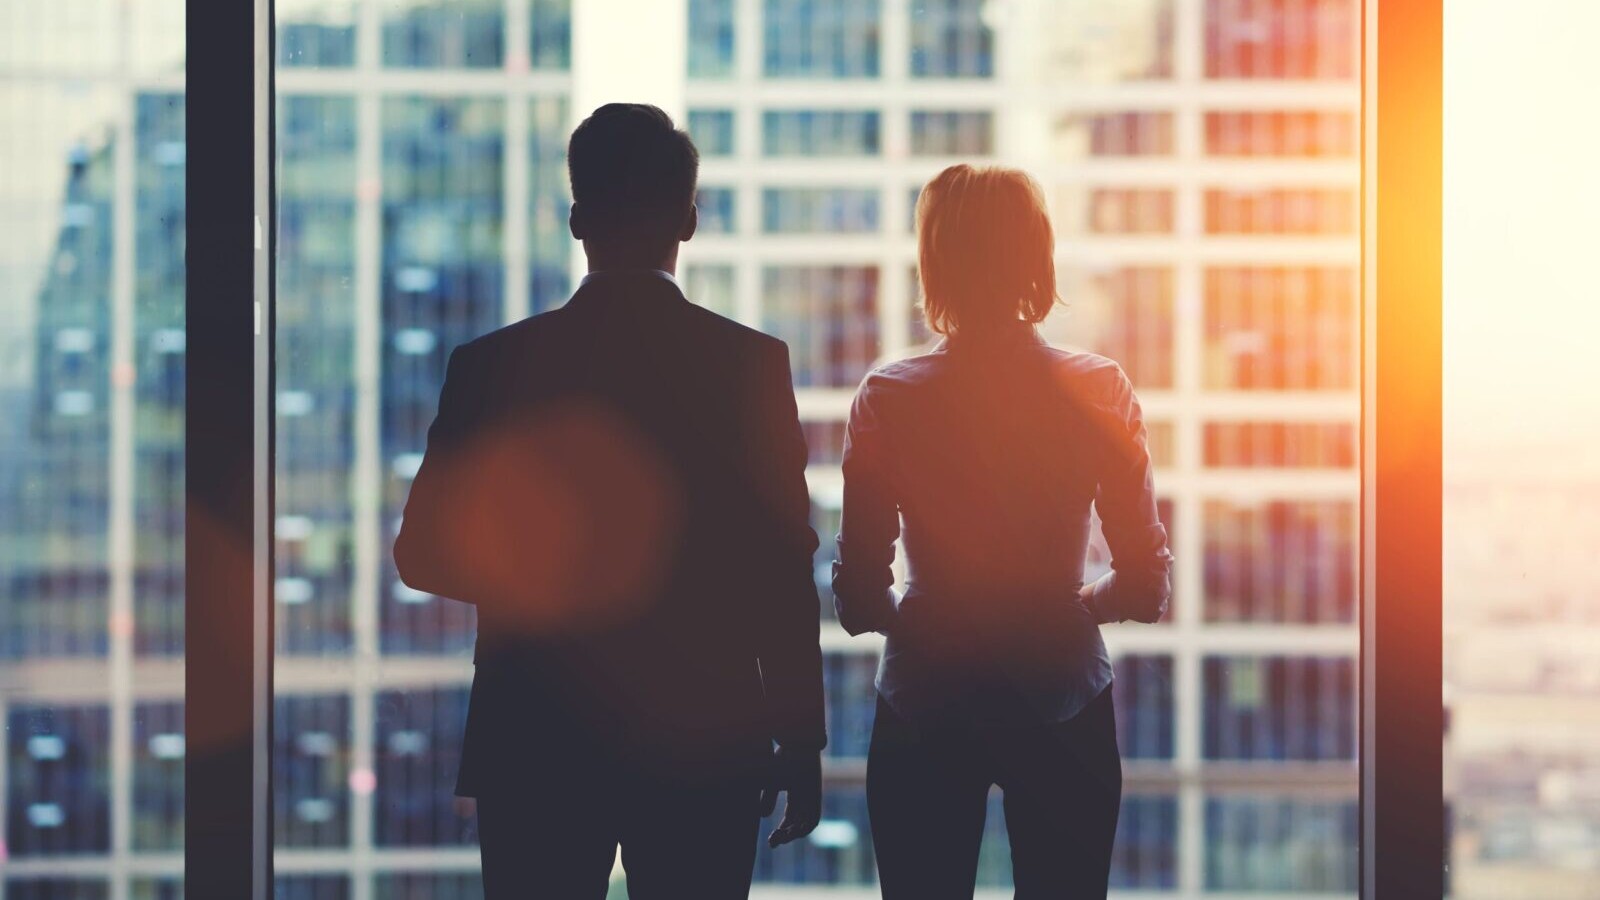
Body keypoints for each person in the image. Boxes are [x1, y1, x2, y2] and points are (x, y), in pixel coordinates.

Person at [393, 103, 826, 899]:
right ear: (689, 222)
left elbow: (421, 552)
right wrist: (802, 739)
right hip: (707, 731)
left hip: (535, 731)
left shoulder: (491, 367)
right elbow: (780, 566)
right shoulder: (749, 367)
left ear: (576, 219)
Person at [832, 164, 1174, 898]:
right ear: (1037, 257)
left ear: (935, 262)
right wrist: (1073, 606)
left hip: (923, 699)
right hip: (1065, 692)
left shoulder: (889, 399)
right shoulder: (1097, 390)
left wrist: (923, 618)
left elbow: (859, 600)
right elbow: (1146, 586)